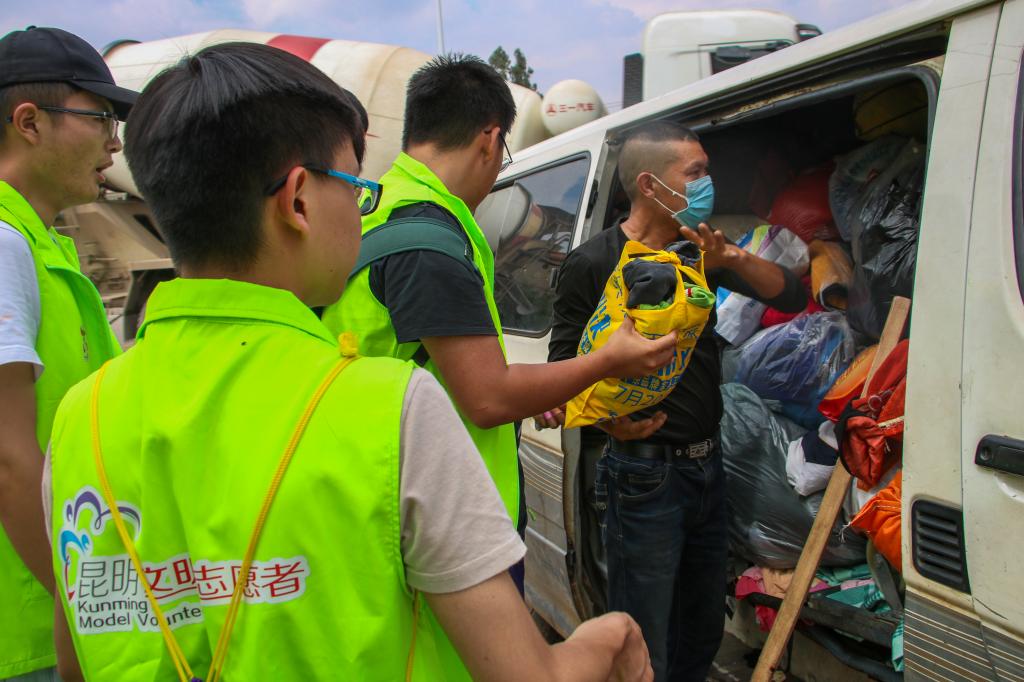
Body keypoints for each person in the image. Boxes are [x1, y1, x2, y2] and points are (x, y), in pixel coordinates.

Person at [44, 42, 653, 682]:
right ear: (299, 201)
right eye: (357, 188)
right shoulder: (394, 408)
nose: (366, 214)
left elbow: (76, 662)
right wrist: (609, 637)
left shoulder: (81, 417)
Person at [321, 54, 676, 549]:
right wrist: (607, 361)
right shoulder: (428, 241)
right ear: (490, 139)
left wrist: (539, 393)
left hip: (387, 492)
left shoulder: (379, 207)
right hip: (439, 524)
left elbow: (434, 367)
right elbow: (489, 398)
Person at [548, 121, 807, 681]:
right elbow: (562, 372)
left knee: (701, 630)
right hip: (644, 477)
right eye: (696, 172)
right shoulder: (594, 262)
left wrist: (731, 258)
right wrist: (610, 424)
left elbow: (790, 293)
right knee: (646, 640)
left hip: (709, 468)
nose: (708, 183)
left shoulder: (698, 252)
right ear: (650, 184)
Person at [0, 26, 136, 681]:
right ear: (29, 123)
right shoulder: (5, 245)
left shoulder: (42, 243)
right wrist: (82, 610)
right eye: (100, 117)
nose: (115, 141)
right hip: (29, 627)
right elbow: (7, 457)